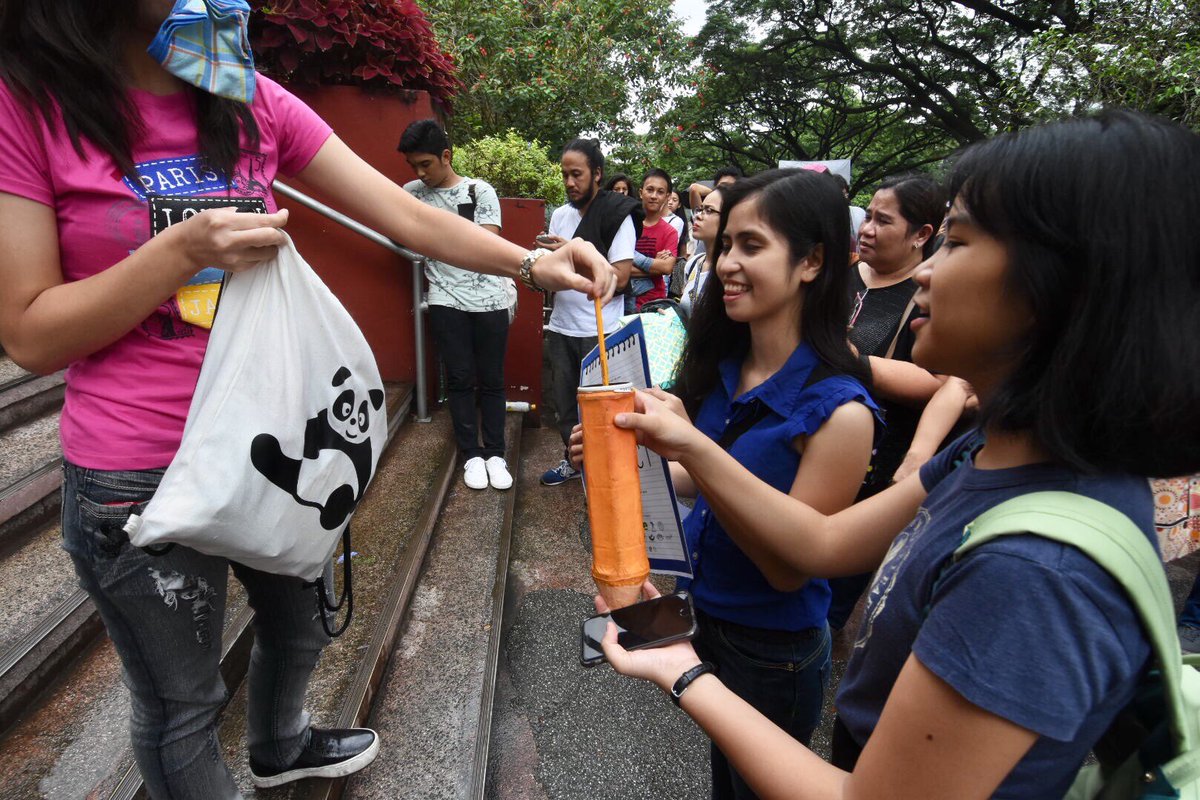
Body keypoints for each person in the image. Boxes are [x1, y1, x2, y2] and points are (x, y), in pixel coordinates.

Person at [0, 3, 616, 797]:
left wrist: (534, 266)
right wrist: (181, 251)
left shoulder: (246, 96)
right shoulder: (29, 102)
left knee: (304, 624)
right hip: (138, 469)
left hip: (279, 442)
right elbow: (29, 334)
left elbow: (402, 217)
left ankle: (281, 742)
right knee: (182, 705)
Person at [597, 111, 1200, 799]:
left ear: (1065, 286)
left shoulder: (1034, 571)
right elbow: (823, 542)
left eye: (958, 242)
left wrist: (681, 671)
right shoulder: (988, 453)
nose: (925, 272)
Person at [577, 168, 877, 799]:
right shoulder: (723, 367)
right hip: (703, 612)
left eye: (753, 246)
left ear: (813, 261)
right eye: (725, 245)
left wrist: (695, 447)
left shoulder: (841, 410)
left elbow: (788, 568)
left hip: (775, 648)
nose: (728, 263)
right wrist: (622, 460)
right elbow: (693, 481)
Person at [825, 173, 947, 632]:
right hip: (815, 443)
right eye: (868, 216)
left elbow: (940, 383)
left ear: (922, 235)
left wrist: (853, 360)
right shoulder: (841, 274)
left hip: (880, 461)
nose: (868, 228)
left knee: (836, 583)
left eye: (884, 221)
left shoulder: (929, 293)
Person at [398, 119, 513, 491]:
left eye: (426, 164)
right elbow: (400, 235)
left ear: (446, 156)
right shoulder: (411, 193)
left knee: (492, 379)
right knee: (460, 379)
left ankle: (496, 452)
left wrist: (430, 240)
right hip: (446, 298)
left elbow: (486, 245)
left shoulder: (480, 191)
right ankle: (471, 455)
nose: (419, 173)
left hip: (490, 297)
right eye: (414, 166)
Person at [537, 138, 636, 485]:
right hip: (563, 326)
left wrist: (572, 253)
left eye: (576, 174)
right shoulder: (560, 216)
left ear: (597, 174)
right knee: (564, 407)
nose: (568, 182)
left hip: (601, 328)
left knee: (601, 407)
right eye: (564, 174)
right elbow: (550, 272)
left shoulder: (616, 215)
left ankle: (604, 469)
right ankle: (573, 461)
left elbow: (621, 278)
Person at [626, 168, 679, 313]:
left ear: (667, 196)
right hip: (621, 302)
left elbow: (666, 268)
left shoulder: (670, 232)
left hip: (654, 305)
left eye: (660, 192)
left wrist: (629, 262)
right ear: (641, 192)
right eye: (650, 190)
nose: (654, 196)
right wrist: (654, 266)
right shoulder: (625, 225)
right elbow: (614, 265)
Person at [676, 186, 723, 319]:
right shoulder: (693, 264)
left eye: (709, 210)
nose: (698, 216)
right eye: (700, 209)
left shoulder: (730, 270)